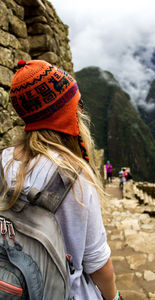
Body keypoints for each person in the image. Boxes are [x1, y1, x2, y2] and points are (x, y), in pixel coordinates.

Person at [1, 60, 123, 300]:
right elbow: (98, 264)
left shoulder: (3, 159)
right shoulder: (74, 177)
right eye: (74, 105)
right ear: (62, 113)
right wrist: (114, 297)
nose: (79, 111)